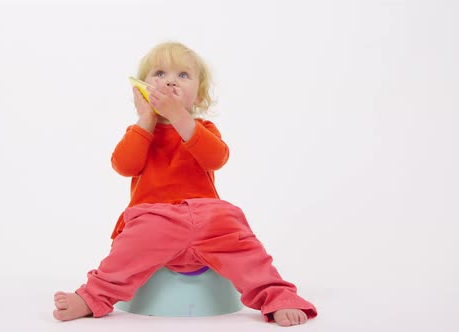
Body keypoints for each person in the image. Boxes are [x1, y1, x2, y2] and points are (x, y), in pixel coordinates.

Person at [53, 42, 318, 327]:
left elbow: (215, 158)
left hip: (208, 216)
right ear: (141, 89)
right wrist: (146, 119)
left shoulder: (203, 129)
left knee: (245, 246)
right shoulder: (141, 133)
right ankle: (94, 295)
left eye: (182, 75)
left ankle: (276, 295)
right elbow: (124, 165)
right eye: (159, 73)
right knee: (127, 252)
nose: (169, 80)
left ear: (199, 94)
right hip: (154, 217)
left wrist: (180, 116)